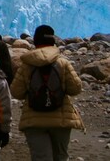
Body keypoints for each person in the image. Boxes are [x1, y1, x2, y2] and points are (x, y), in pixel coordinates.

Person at [10, 25, 84, 161]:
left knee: (41, 158)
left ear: (36, 41)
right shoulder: (63, 63)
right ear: (53, 41)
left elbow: (16, 92)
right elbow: (75, 89)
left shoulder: (26, 64)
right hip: (61, 120)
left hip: (34, 120)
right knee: (61, 157)